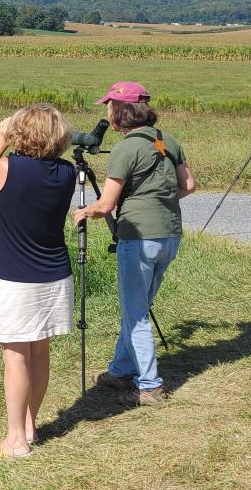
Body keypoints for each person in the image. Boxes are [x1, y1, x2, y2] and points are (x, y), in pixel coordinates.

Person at [72, 81, 195, 406]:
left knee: (136, 315)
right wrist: (156, 199)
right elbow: (189, 185)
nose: (107, 112)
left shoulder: (126, 149)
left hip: (139, 237)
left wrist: (85, 211)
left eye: (109, 106)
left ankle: (150, 385)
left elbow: (106, 204)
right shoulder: (167, 139)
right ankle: (121, 369)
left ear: (120, 112)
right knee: (137, 308)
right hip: (169, 234)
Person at [0, 103, 77, 460]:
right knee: (40, 350)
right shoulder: (66, 172)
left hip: (15, 278)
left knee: (15, 356)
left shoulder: (5, 168)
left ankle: (15, 441)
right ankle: (29, 424)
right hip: (54, 273)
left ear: (20, 133)